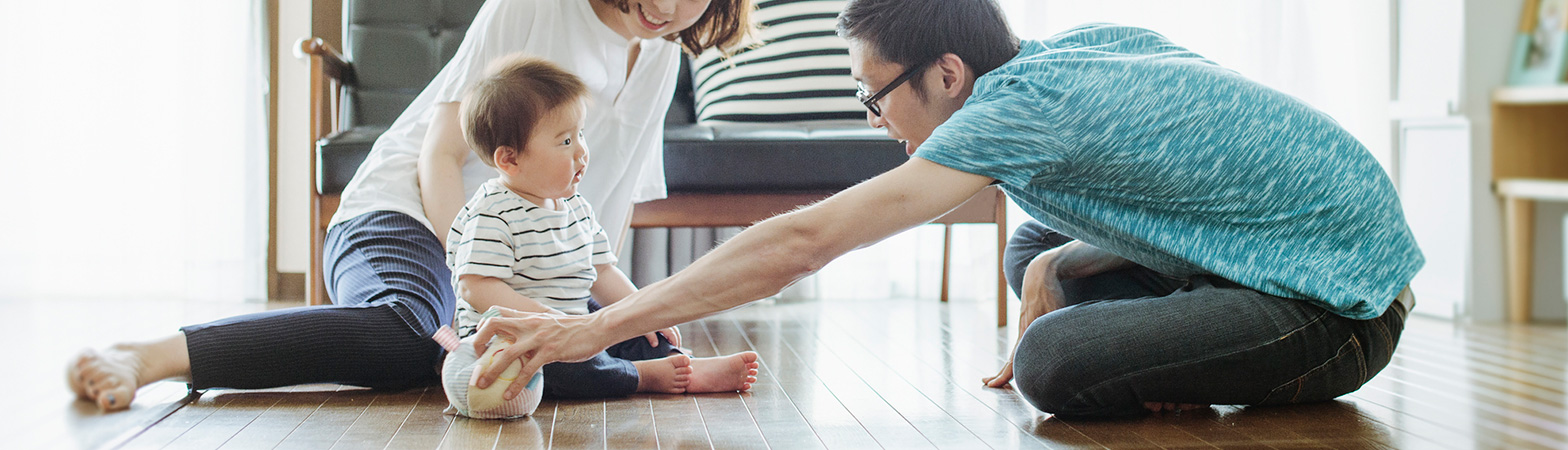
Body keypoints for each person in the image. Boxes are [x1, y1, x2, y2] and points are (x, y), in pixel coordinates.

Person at [465, 0, 1425, 418]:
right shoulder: (1068, 55)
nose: (876, 119)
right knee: (1035, 251)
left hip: (1340, 307)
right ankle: (1162, 337)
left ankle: (1167, 350)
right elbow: (1185, 175)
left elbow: (800, 244)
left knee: (1053, 361)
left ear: (948, 73)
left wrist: (592, 330)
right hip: (1289, 246)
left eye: (875, 96)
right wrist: (1057, 266)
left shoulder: (1001, 118)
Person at [66, 0, 754, 411]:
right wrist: (475, 289)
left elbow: (602, 208)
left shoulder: (662, 56)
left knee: (633, 337)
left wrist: (628, 315)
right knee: (407, 331)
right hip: (409, 214)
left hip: (519, 253)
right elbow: (438, 153)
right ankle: (158, 355)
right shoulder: (538, 7)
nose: (665, 4)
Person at [440, 56, 754, 413]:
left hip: (576, 323)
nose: (581, 152)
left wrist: (646, 313)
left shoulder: (575, 208)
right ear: (509, 160)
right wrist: (545, 318)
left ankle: (682, 363)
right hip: (514, 340)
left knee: (634, 328)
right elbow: (475, 285)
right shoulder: (492, 213)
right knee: (569, 368)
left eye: (581, 135)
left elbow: (602, 273)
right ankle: (641, 376)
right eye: (565, 141)